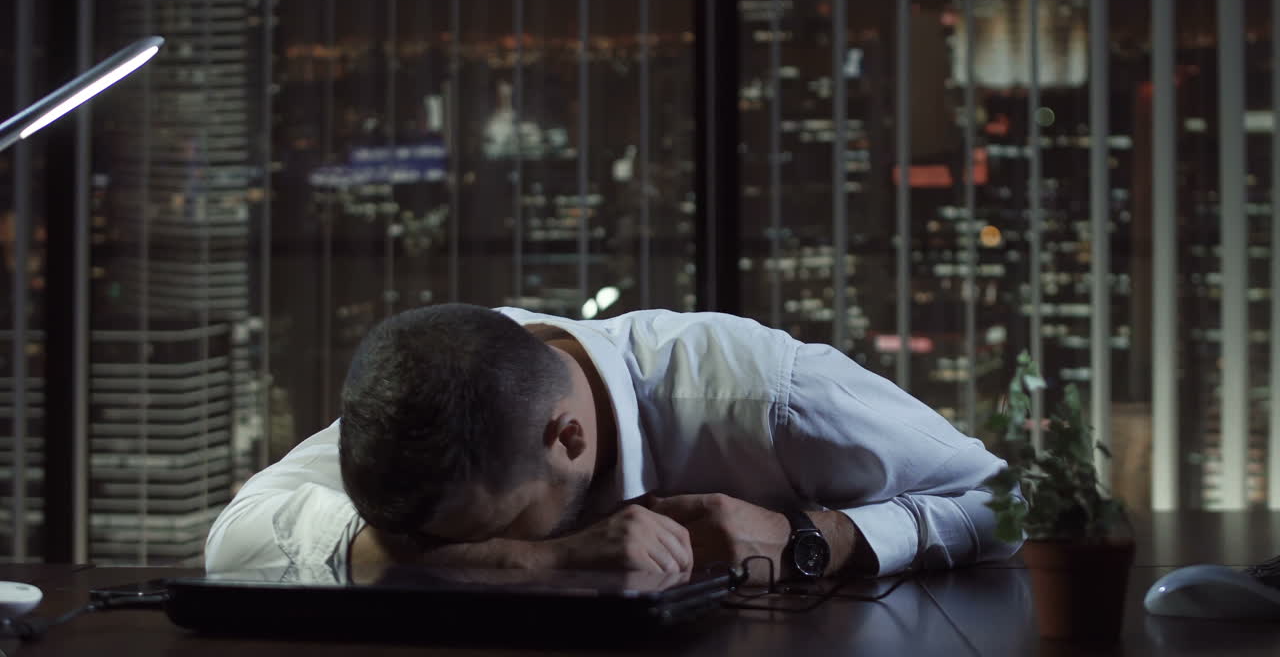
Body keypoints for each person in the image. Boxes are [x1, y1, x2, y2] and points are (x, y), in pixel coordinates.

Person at [206, 304, 1024, 582]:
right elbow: (233, 539)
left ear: (567, 438)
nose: (469, 553)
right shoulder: (436, 392)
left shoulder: (770, 395)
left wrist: (816, 538)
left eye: (492, 528)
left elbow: (1006, 502)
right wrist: (537, 558)